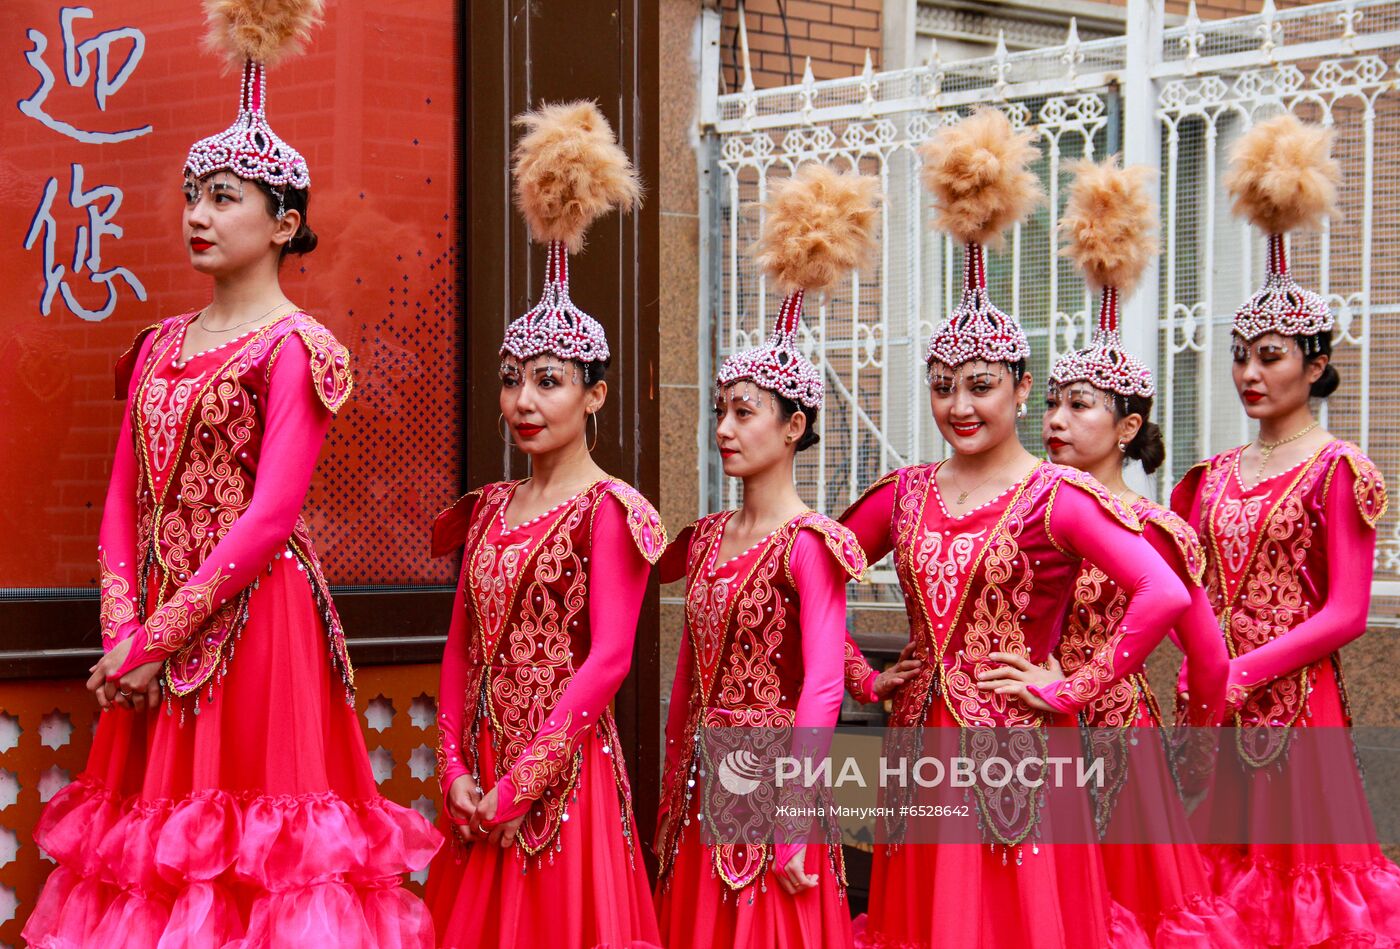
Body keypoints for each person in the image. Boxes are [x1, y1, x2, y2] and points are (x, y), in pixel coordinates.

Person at [24, 3, 440, 944]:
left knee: (258, 852)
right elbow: (120, 501)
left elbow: (269, 516)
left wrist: (152, 639)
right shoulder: (160, 344)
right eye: (192, 194)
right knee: (153, 860)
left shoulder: (298, 348)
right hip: (160, 632)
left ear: (285, 222)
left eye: (225, 197)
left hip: (257, 626)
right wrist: (123, 626)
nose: (199, 214)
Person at [840, 108, 1190, 948]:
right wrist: (861, 673)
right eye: (943, 384)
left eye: (981, 384)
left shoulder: (1055, 495)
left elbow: (1163, 589)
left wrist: (1069, 687)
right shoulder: (905, 492)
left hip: (1022, 753)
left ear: (1023, 389)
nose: (959, 405)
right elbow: (810, 564)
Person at [424, 100, 664, 949]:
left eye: (550, 380)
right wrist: (453, 768)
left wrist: (522, 781)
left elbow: (609, 658)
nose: (525, 400)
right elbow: (460, 643)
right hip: (482, 771)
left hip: (564, 785)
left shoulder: (610, 509)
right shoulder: (489, 507)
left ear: (594, 394)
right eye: (513, 379)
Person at [1173, 112, 1400, 947]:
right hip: (1222, 707)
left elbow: (1345, 612)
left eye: (1269, 355)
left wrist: (1246, 668)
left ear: (1314, 363)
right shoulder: (1216, 475)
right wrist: (1210, 679)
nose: (1248, 372)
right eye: (1240, 353)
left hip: (1303, 708)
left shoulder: (1338, 468)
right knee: (1217, 893)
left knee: (1307, 896)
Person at [1023, 156, 1248, 944]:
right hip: (1029, 727)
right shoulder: (1028, 507)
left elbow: (1211, 661)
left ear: (1125, 427)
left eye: (1078, 405)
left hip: (1119, 742)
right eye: (1049, 401)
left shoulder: (1157, 529)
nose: (1055, 417)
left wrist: (1190, 758)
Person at [654, 164, 878, 948]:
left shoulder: (812, 544)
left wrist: (791, 819)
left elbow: (820, 685)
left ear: (793, 427)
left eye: (744, 412)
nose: (724, 427)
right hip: (699, 784)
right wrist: (670, 794)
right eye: (720, 410)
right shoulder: (711, 535)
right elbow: (687, 675)